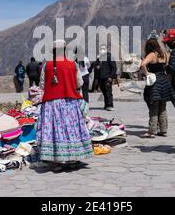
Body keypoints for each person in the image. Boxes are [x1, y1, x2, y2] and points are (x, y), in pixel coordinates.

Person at [36, 40, 93, 168]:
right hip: (70, 103)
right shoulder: (73, 64)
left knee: (55, 131)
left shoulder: (47, 66)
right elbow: (79, 83)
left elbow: (42, 85)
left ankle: (56, 158)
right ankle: (73, 157)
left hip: (51, 104)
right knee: (71, 130)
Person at [140, 38, 175, 138]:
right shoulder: (164, 54)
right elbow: (168, 66)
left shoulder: (152, 55)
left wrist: (147, 73)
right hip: (164, 81)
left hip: (155, 81)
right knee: (162, 107)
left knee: (153, 107)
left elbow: (142, 65)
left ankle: (151, 131)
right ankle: (163, 130)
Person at [98, 44, 117, 111]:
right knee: (104, 92)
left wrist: (111, 77)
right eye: (101, 49)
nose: (102, 50)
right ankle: (106, 105)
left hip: (107, 77)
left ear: (106, 49)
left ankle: (110, 105)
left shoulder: (109, 56)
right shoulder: (100, 58)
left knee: (108, 92)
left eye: (103, 48)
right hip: (101, 77)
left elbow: (114, 67)